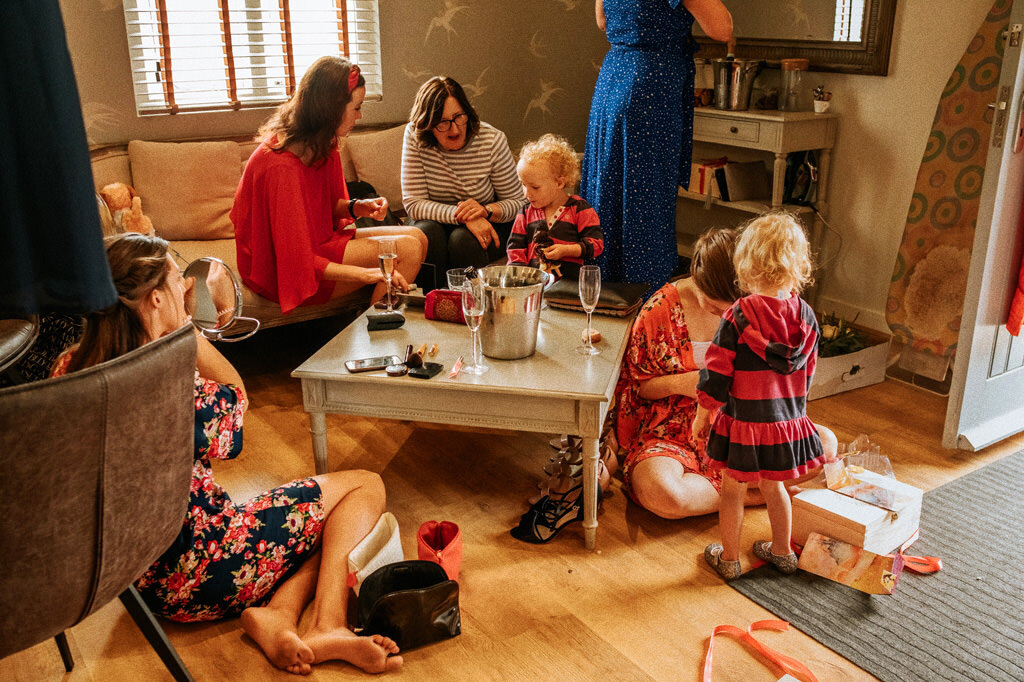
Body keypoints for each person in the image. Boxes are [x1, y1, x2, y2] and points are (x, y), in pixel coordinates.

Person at [54, 233, 403, 675]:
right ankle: (327, 624)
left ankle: (278, 613)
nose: (187, 291)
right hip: (206, 570)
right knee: (363, 489)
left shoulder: (68, 370)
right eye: (180, 283)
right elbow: (237, 399)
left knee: (331, 527)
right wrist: (188, 333)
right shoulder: (170, 391)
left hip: (131, 579)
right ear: (156, 299)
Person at [612, 227, 836, 521]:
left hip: (746, 426)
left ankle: (735, 492)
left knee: (826, 444)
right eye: (718, 310)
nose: (729, 317)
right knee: (663, 493)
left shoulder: (764, 304)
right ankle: (759, 494)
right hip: (670, 432)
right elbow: (637, 388)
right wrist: (685, 383)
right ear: (698, 282)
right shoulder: (660, 310)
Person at [232, 56, 426, 315]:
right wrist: (366, 275)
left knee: (418, 237)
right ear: (331, 109)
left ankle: (379, 319)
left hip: (314, 246)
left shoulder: (324, 142)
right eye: (356, 107)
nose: (360, 115)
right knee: (408, 250)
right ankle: (379, 332)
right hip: (282, 271)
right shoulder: (281, 167)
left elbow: (325, 208)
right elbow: (296, 261)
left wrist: (358, 207)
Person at [694, 213, 829, 581]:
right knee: (776, 487)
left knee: (732, 491)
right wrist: (791, 407)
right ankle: (783, 551)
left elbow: (717, 369)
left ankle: (730, 559)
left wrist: (702, 413)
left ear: (747, 264)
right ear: (798, 264)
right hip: (785, 420)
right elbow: (808, 371)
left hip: (744, 423)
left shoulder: (740, 314)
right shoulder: (807, 316)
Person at [582, 0, 733, 290]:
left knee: (608, 194)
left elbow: (603, 21)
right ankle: (645, 307)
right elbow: (722, 28)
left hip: (613, 78)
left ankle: (602, 300)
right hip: (650, 85)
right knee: (646, 202)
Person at [401, 76, 526, 290]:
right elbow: (413, 204)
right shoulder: (415, 136)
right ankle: (432, 304)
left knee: (462, 241)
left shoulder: (491, 140)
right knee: (428, 234)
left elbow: (518, 202)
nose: (455, 129)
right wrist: (463, 217)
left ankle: (472, 306)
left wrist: (485, 211)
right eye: (442, 122)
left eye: (458, 117)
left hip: (487, 223)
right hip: (436, 223)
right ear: (428, 125)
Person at [507, 133, 603, 281]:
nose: (527, 193)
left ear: (559, 183)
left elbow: (596, 244)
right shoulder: (525, 212)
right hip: (535, 287)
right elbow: (515, 249)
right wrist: (517, 279)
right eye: (523, 185)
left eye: (535, 187)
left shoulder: (580, 209)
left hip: (570, 287)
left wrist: (566, 250)